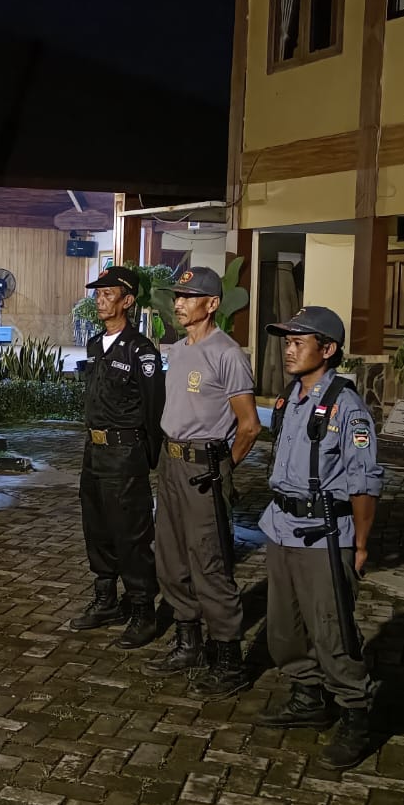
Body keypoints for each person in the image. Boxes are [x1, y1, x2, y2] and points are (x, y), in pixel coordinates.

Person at [256, 306, 383, 770]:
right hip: (281, 527)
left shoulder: (348, 408)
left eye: (299, 342)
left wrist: (361, 545)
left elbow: (364, 483)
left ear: (327, 349)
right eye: (286, 342)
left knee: (332, 629)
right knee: (285, 628)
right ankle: (308, 696)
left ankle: (355, 713)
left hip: (325, 535)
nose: (288, 350)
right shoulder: (290, 397)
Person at [145, 267, 261, 696]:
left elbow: (249, 426)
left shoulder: (227, 354)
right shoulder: (177, 350)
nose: (178, 303)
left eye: (188, 296)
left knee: (208, 563)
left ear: (211, 304)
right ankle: (188, 642)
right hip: (171, 463)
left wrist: (223, 467)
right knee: (171, 558)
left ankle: (228, 658)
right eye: (177, 295)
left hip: (203, 469)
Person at [69, 265, 165, 648]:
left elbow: (155, 409)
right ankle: (107, 600)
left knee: (131, 534)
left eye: (108, 294)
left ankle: (143, 609)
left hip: (125, 453)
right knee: (96, 528)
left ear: (127, 301)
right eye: (98, 294)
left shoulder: (141, 350)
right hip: (94, 451)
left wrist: (146, 456)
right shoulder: (95, 345)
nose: (100, 300)